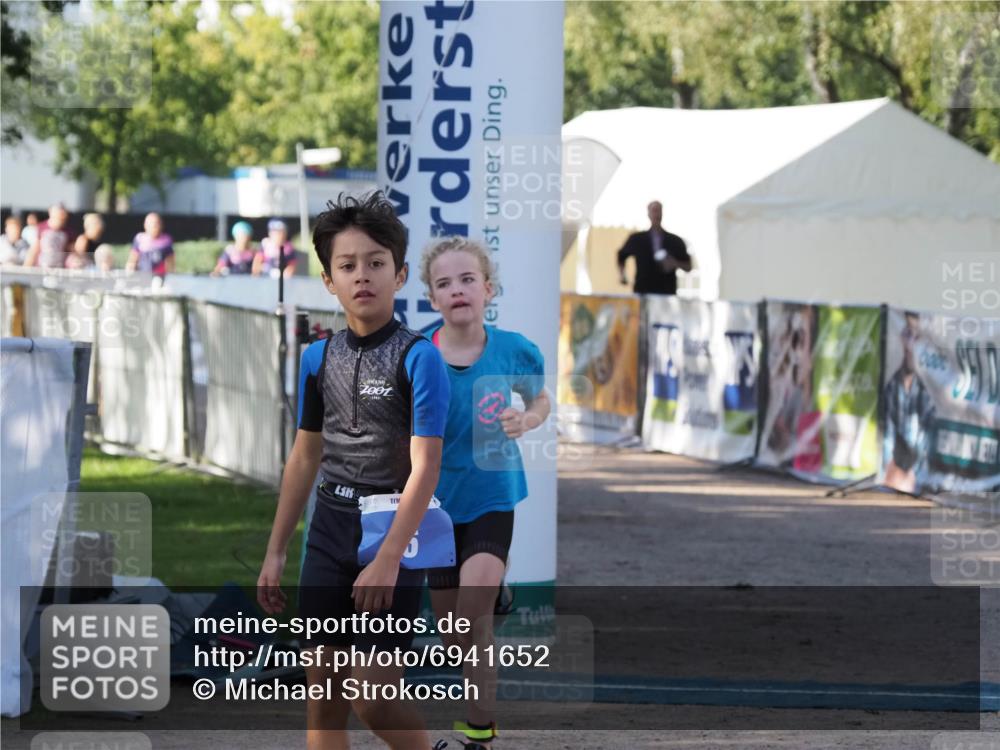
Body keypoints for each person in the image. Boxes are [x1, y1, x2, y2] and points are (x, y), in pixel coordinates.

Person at [256, 192, 451, 750]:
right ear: (328, 280)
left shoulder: (420, 357)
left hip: (394, 534)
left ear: (400, 274)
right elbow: (304, 457)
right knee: (323, 698)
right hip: (328, 530)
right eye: (347, 265)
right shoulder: (316, 358)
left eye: (375, 262)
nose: (362, 275)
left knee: (372, 695)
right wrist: (276, 550)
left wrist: (388, 557)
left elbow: (426, 468)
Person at [419, 236, 551, 750]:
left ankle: (480, 734)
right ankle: (497, 594)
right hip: (435, 507)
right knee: (455, 636)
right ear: (432, 298)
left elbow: (540, 399)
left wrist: (527, 419)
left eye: (467, 279)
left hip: (492, 495)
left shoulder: (513, 350)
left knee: (473, 616)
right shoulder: (417, 354)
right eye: (444, 283)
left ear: (488, 290)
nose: (457, 289)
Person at [881, 312, 935, 494]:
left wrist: (915, 473)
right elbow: (887, 434)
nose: (910, 343)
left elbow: (926, 441)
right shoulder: (892, 386)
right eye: (907, 334)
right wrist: (889, 468)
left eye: (916, 337)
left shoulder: (928, 391)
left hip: (915, 477)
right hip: (895, 474)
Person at [617, 200, 692, 295]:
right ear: (648, 214)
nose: (656, 214)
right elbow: (621, 255)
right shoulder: (637, 239)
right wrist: (622, 275)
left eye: (658, 211)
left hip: (666, 292)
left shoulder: (675, 241)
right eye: (654, 211)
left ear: (662, 213)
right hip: (643, 291)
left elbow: (688, 266)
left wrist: (674, 263)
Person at [23, 203, 75, 268]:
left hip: (59, 268)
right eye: (59, 212)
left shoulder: (69, 232)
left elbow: (71, 251)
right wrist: (26, 266)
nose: (61, 215)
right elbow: (34, 249)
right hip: (42, 267)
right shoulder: (41, 228)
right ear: (51, 212)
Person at [126, 212, 175, 277]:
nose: (154, 227)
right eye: (151, 224)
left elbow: (170, 262)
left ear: (161, 225)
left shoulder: (166, 241)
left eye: (156, 224)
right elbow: (132, 260)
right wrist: (129, 274)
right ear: (145, 225)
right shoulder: (139, 239)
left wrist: (171, 276)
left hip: (159, 276)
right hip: (142, 275)